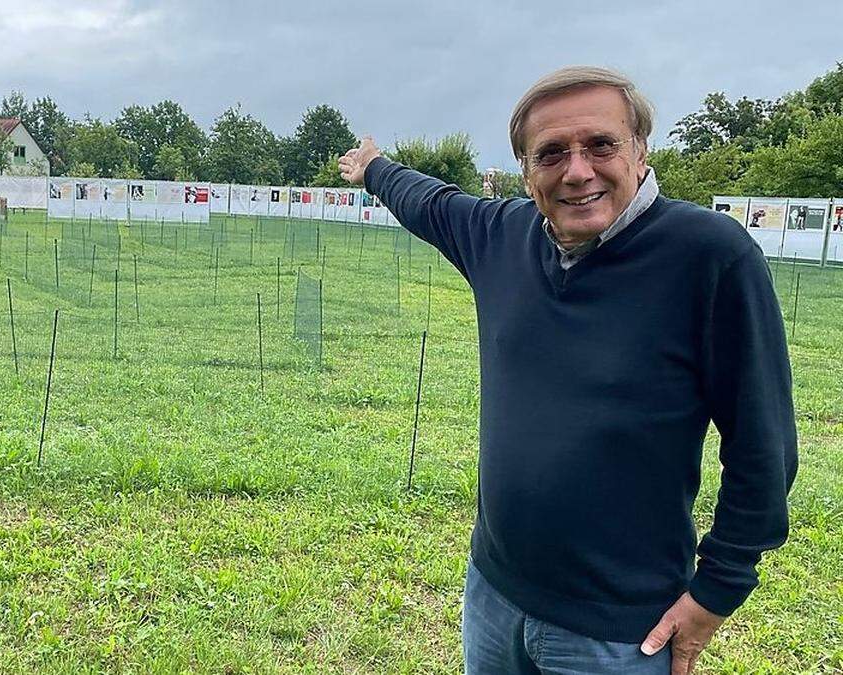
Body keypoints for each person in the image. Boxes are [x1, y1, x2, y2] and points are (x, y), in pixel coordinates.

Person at [339, 66, 796, 675]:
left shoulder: (710, 256)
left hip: (619, 633)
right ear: (527, 173)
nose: (577, 170)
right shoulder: (501, 236)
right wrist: (373, 168)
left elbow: (763, 444)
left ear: (640, 151)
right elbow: (429, 201)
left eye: (600, 145)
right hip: (493, 595)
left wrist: (718, 589)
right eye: (550, 153)